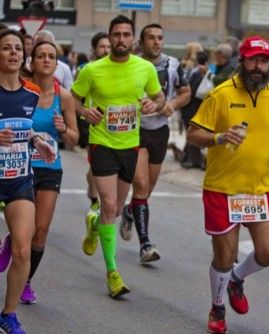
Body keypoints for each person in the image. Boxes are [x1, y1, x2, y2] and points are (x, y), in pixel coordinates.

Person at [186, 35, 269, 334]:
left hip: (261, 187)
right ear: (241, 61)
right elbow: (193, 134)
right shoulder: (220, 94)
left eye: (264, 61)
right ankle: (218, 306)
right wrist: (219, 137)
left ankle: (236, 279)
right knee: (224, 255)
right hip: (223, 187)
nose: (258, 67)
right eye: (253, 60)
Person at [71, 15, 165, 298]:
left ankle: (95, 221)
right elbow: (72, 99)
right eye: (116, 35)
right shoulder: (92, 70)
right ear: (109, 38)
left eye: (126, 35)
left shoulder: (145, 68)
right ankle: (112, 273)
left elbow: (159, 97)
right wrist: (84, 112)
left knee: (114, 207)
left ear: (133, 39)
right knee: (111, 205)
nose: (121, 40)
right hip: (102, 144)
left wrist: (153, 103)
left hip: (130, 146)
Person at [119, 23, 190, 262]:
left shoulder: (173, 64)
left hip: (160, 130)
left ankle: (130, 210)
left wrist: (173, 104)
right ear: (141, 40)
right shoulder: (131, 63)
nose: (156, 42)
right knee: (140, 184)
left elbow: (185, 92)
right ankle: (146, 245)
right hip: (136, 130)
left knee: (146, 189)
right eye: (151, 38)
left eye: (160, 38)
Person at [0, 28, 55, 334]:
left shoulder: (31, 92)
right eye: (6, 48)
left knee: (24, 249)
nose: (13, 53)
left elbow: (25, 128)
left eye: (17, 49)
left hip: (20, 178)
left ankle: (8, 314)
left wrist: (37, 142)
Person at [19, 40, 79, 304]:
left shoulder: (64, 96)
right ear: (32, 62)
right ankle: (13, 243)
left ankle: (26, 281)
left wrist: (63, 129)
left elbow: (75, 139)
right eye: (40, 55)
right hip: (22, 168)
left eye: (51, 56)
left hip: (50, 169)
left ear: (57, 63)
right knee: (24, 229)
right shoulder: (21, 90)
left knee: (41, 231)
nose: (46, 60)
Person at [75, 32, 111, 217]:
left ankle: (98, 194)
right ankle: (94, 196)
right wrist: (84, 113)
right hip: (91, 124)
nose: (105, 50)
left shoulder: (117, 69)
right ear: (94, 49)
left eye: (108, 46)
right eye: (101, 47)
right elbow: (74, 98)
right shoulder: (86, 70)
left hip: (113, 125)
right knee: (96, 165)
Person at [181, 50, 209, 169]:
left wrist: (184, 100)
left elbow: (191, 91)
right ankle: (192, 158)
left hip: (191, 107)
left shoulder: (197, 72)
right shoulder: (207, 71)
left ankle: (193, 160)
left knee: (192, 133)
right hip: (197, 107)